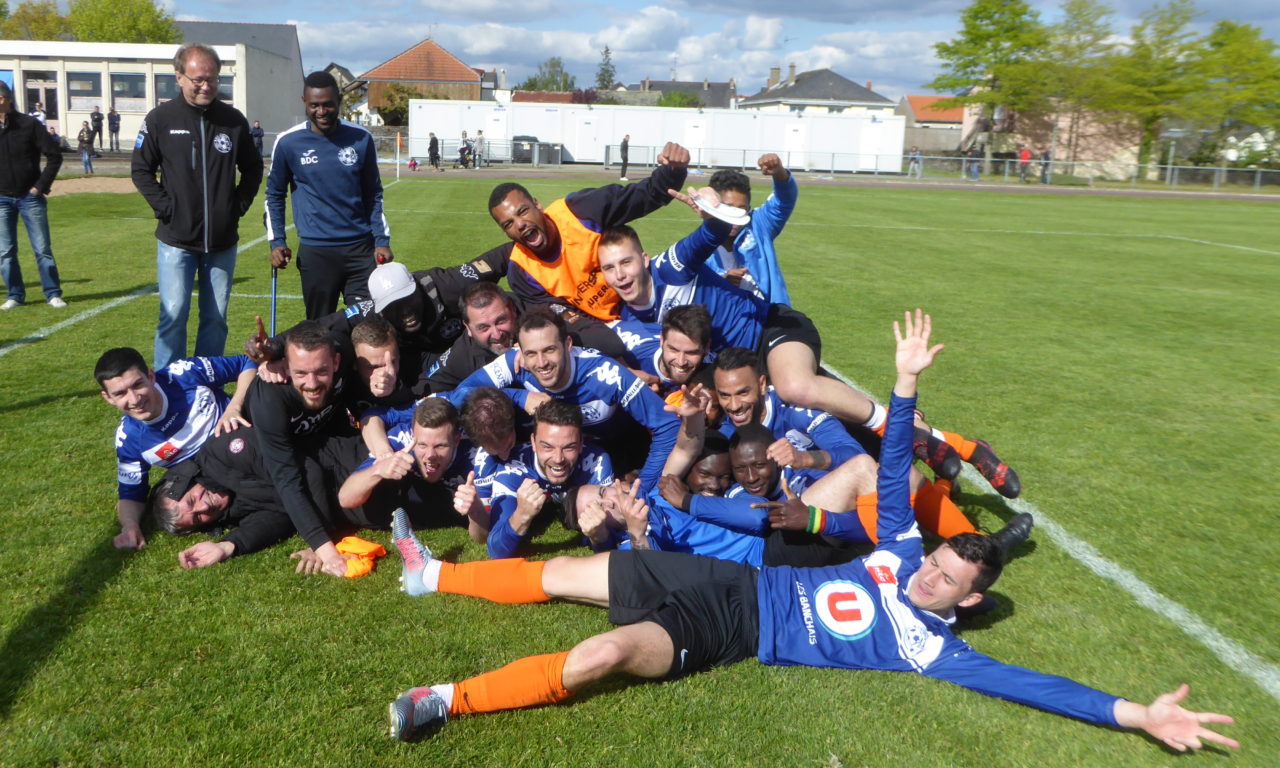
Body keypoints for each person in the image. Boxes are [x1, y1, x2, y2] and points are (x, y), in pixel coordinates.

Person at [384, 311, 1239, 757]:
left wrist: (1134, 715)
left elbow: (1031, 685)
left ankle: (441, 699)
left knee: (600, 659)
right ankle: (431, 578)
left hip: (734, 629)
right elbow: (894, 463)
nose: (927, 575)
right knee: (567, 573)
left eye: (944, 579)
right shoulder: (897, 554)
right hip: (728, 582)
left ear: (966, 603)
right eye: (935, 560)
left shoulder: (929, 649)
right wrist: (900, 390)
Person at [477, 141, 688, 357]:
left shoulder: (580, 210)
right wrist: (614, 348)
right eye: (509, 224)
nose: (520, 224)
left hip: (649, 294)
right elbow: (569, 320)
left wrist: (673, 170)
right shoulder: (522, 272)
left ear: (537, 204)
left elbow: (641, 196)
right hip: (612, 327)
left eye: (523, 211)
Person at [132, 42, 264, 370]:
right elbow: (140, 169)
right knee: (173, 315)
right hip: (176, 239)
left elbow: (253, 169)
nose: (206, 86)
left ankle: (206, 381)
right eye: (198, 80)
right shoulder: (161, 119)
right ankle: (168, 384)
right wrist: (167, 208)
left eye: (213, 79)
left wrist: (237, 206)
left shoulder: (233, 121)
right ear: (179, 77)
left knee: (216, 319)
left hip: (221, 241)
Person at [446, 308, 679, 488]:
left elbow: (668, 425)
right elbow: (461, 395)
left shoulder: (605, 374)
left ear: (567, 345)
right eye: (531, 353)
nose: (541, 362)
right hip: (557, 457)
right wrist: (518, 396)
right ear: (520, 351)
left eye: (549, 350)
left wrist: (645, 487)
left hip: (615, 451)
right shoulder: (516, 363)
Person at [94, 346, 257, 550]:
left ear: (151, 376)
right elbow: (131, 492)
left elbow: (246, 363)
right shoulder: (129, 440)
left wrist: (234, 406)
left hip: (253, 439)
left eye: (138, 385)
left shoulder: (183, 374)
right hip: (228, 479)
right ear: (108, 398)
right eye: (120, 393)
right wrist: (130, 525)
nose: (134, 399)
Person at [266, 71, 392, 320]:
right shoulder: (288, 142)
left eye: (328, 104)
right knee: (320, 329)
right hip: (317, 252)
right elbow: (274, 195)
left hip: (360, 250)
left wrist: (382, 240)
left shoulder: (361, 139)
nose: (321, 111)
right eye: (314, 105)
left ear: (339, 101)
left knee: (366, 325)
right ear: (304, 101)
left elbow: (373, 195)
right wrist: (277, 241)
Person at [480, 399, 614, 558]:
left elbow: (615, 536)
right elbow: (496, 551)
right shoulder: (514, 467)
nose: (558, 459)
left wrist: (599, 536)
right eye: (547, 447)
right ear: (533, 443)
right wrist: (521, 515)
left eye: (569, 447)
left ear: (580, 444)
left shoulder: (596, 461)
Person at [0, 80, 66, 310]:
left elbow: (54, 155)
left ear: (3, 99)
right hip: (1, 199)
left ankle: (52, 293)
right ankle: (15, 295)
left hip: (30, 196)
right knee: (6, 251)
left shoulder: (29, 124)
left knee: (42, 249)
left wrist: (40, 186)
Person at [704, 154, 797, 305]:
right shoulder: (700, 243)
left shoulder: (758, 225)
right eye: (728, 209)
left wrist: (779, 171)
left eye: (742, 209)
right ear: (715, 206)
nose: (735, 217)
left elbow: (784, 200)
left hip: (770, 320)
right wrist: (721, 280)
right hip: (726, 323)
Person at [420, 281, 517, 394]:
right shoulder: (460, 358)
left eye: (501, 321)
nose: (497, 335)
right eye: (484, 328)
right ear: (468, 328)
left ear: (512, 310)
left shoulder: (534, 311)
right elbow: (423, 393)